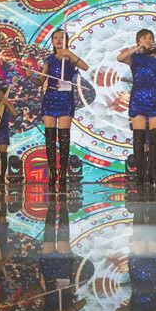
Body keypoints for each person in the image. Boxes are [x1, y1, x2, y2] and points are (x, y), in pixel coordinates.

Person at [117, 30, 156, 187]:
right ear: (138, 40)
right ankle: (140, 175)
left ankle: (153, 173)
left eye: (151, 38)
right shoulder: (133, 57)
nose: (148, 40)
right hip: (138, 98)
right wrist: (137, 48)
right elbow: (119, 58)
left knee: (155, 139)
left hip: (154, 98)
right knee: (138, 139)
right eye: (144, 37)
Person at [31, 29, 89, 191]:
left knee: (64, 137)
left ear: (66, 40)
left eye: (61, 38)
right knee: (50, 138)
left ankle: (63, 172)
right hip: (50, 98)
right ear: (52, 41)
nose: (58, 40)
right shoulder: (49, 59)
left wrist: (69, 54)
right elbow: (40, 81)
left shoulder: (70, 58)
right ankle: (52, 173)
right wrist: (30, 76)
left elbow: (85, 67)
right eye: (55, 38)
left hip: (65, 99)